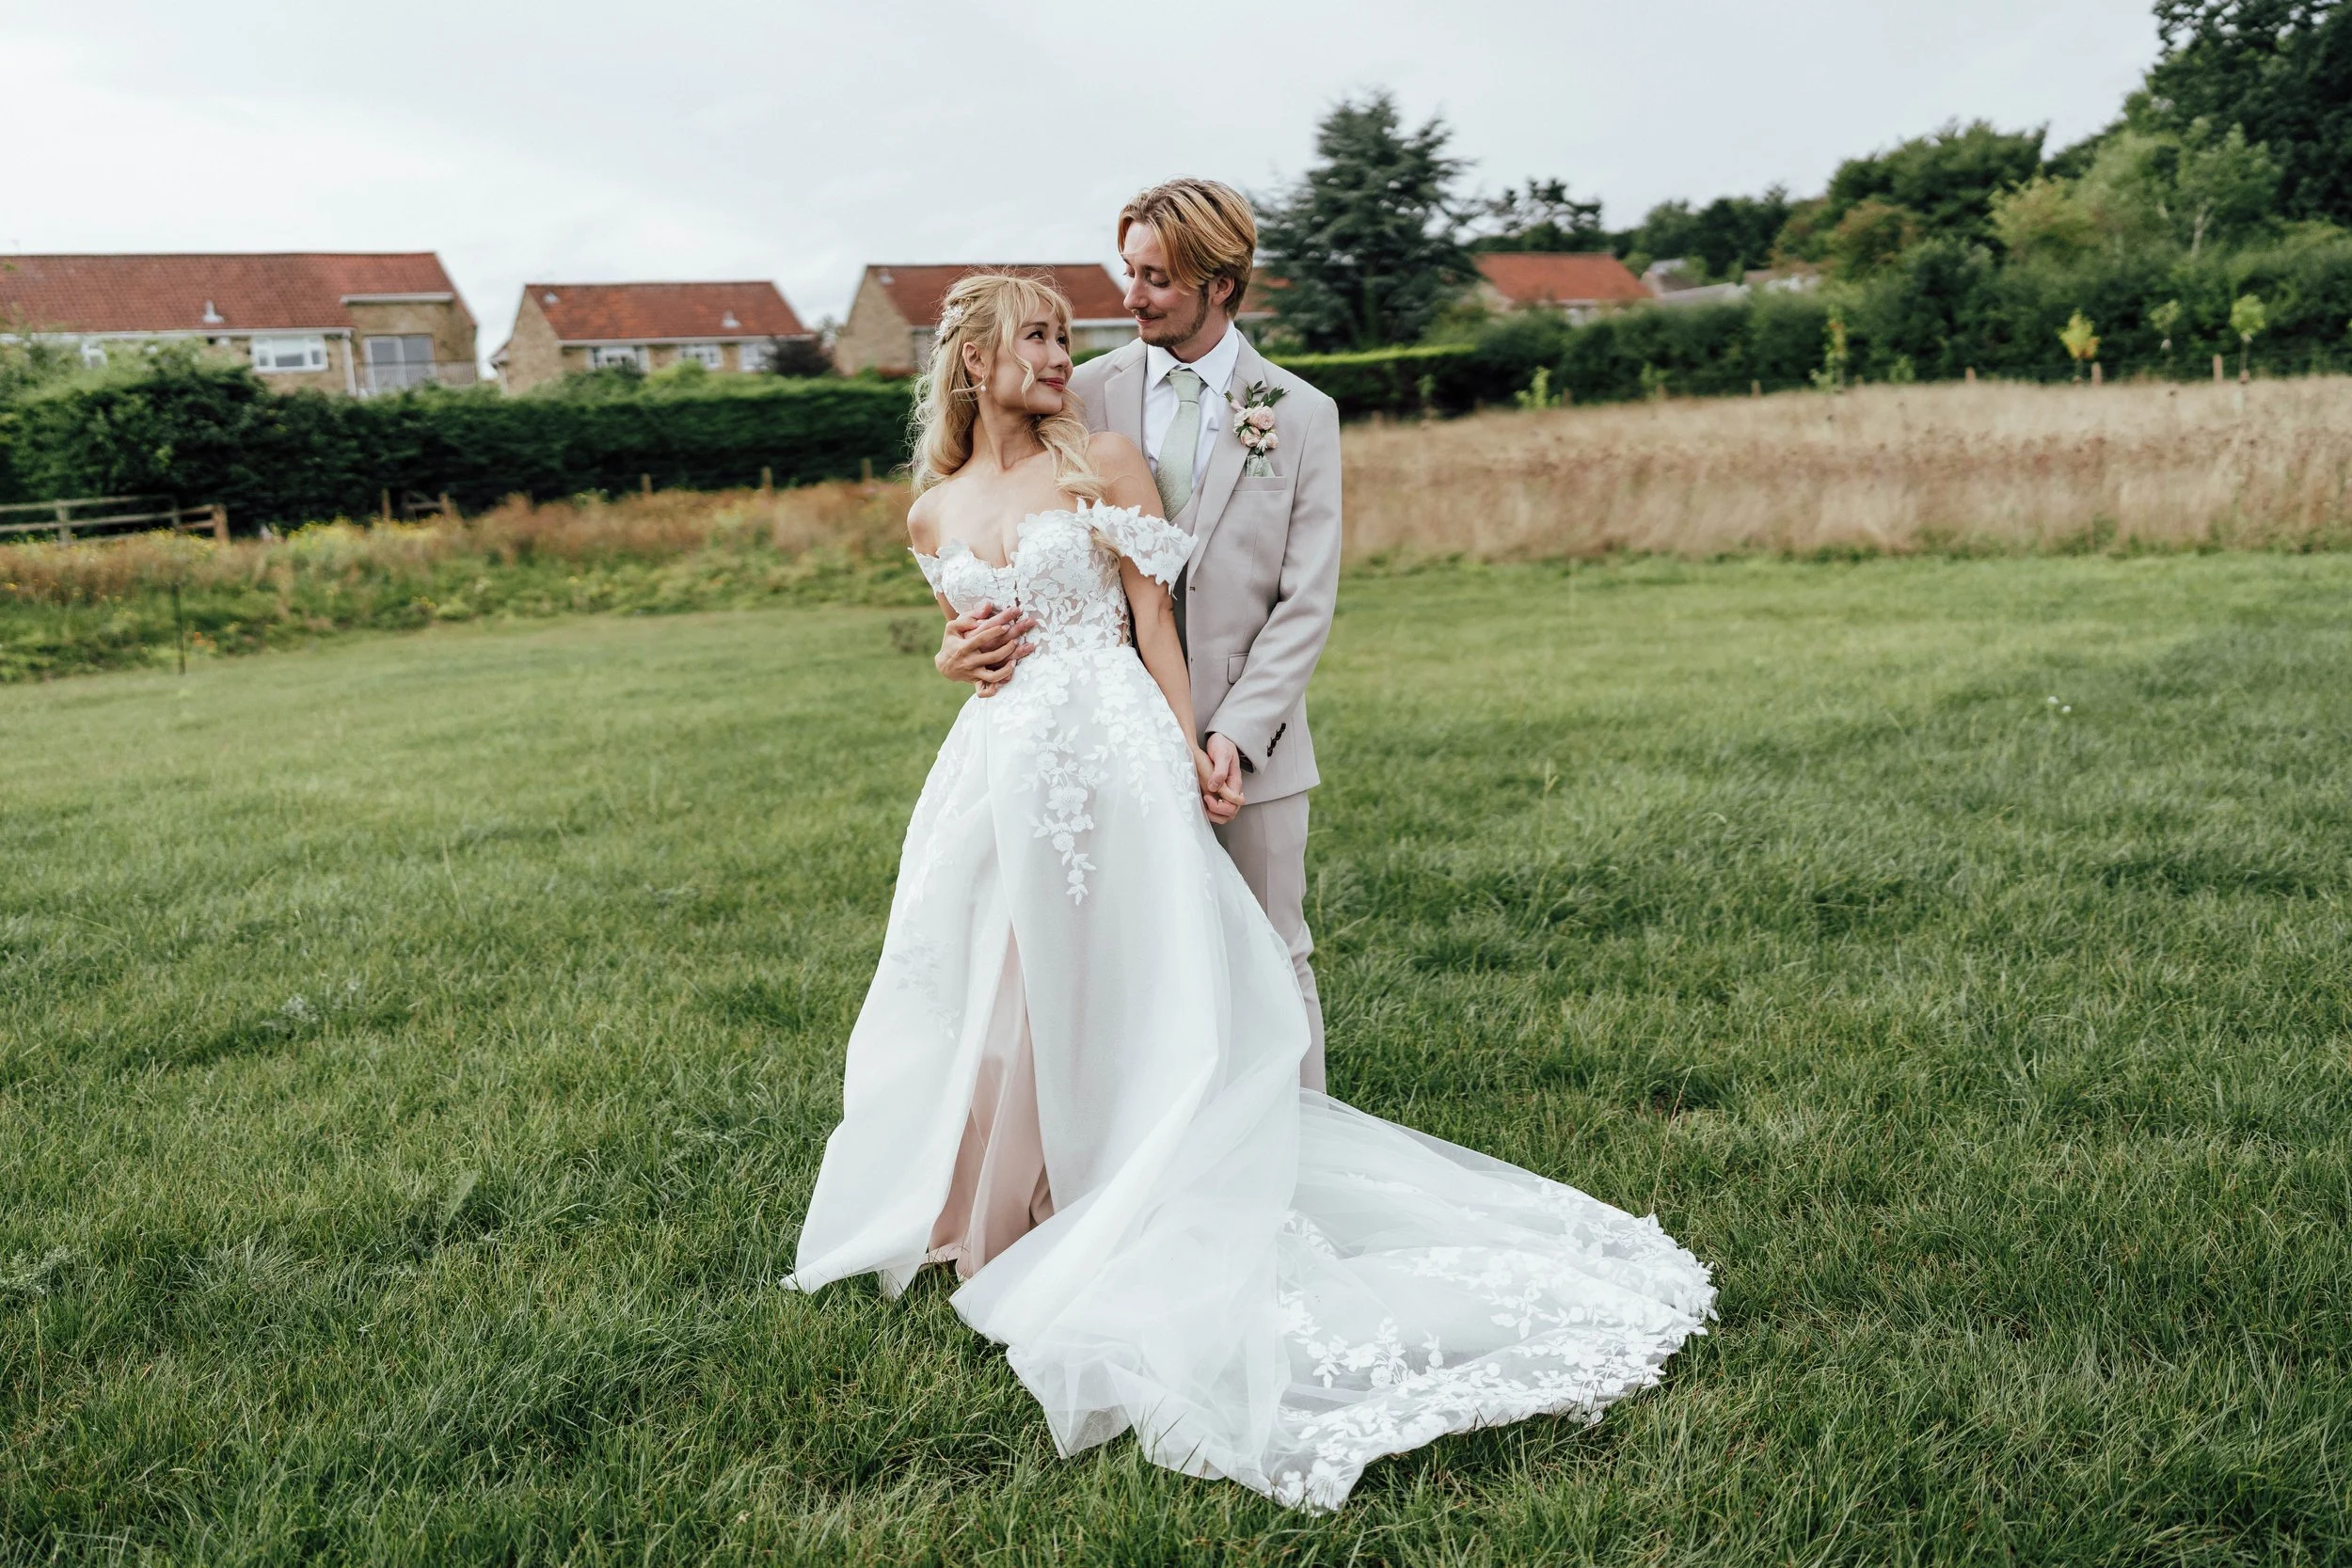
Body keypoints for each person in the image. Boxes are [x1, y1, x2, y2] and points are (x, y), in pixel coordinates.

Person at [787, 269, 1713, 1513]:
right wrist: (958, 654)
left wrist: (1182, 759)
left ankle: (1127, 1179)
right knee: (1001, 978)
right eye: (1041, 336)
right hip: (1002, 771)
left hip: (1115, 756)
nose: (1065, 353)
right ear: (974, 360)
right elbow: (966, 640)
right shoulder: (930, 510)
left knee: (1130, 973)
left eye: (1070, 334)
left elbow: (1152, 622)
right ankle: (1015, 1198)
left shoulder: (1103, 463)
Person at [938, 180, 1337, 1090]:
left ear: (1220, 285)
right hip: (1105, 735)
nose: (1130, 297)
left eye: (1155, 277)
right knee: (1124, 956)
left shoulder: (1302, 414)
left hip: (1253, 734)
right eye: (1129, 270)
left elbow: (1304, 600)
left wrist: (1230, 734)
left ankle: (1299, 1156)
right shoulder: (1075, 389)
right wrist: (953, 649)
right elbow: (991, 527)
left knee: (1273, 952)